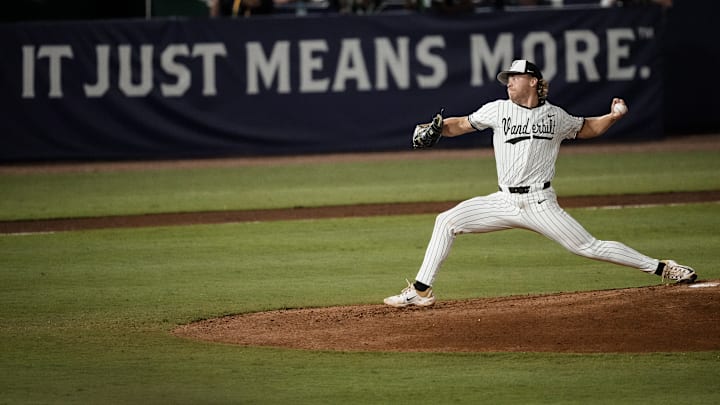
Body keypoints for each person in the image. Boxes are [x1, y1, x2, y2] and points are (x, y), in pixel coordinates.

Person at [384, 59, 697, 307]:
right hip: (502, 201)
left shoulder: (555, 117)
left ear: (532, 81)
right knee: (446, 221)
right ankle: (421, 291)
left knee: (588, 246)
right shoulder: (497, 109)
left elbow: (586, 127)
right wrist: (439, 127)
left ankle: (662, 267)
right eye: (507, 79)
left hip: (540, 203)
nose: (508, 83)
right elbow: (460, 125)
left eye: (514, 78)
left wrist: (613, 116)